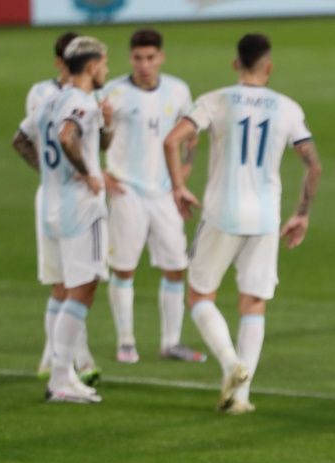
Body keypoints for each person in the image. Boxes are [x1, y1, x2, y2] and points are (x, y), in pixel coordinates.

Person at [163, 33, 322, 414]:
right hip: (266, 217)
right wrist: (301, 212)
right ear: (269, 67)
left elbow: (172, 140)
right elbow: (313, 164)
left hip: (222, 211)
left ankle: (232, 364)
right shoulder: (287, 107)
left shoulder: (215, 100)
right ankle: (242, 396)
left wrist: (179, 186)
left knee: (199, 296)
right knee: (254, 302)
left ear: (236, 64)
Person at [12, 36, 112, 403]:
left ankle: (61, 372)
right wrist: (87, 173)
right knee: (83, 289)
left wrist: (48, 174)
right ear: (90, 66)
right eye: (104, 63)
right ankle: (60, 379)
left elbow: (19, 140)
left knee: (64, 287)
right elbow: (67, 136)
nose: (105, 70)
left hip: (51, 206)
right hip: (82, 209)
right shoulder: (81, 102)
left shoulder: (49, 99)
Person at [100, 28, 206, 365]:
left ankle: (171, 342)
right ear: (130, 58)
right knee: (124, 268)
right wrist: (100, 173)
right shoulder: (112, 93)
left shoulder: (178, 90)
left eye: (150, 57)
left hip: (164, 192)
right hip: (126, 189)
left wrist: (185, 169)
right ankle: (126, 340)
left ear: (161, 56)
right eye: (138, 58)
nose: (144, 65)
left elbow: (192, 136)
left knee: (176, 267)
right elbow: (87, 134)